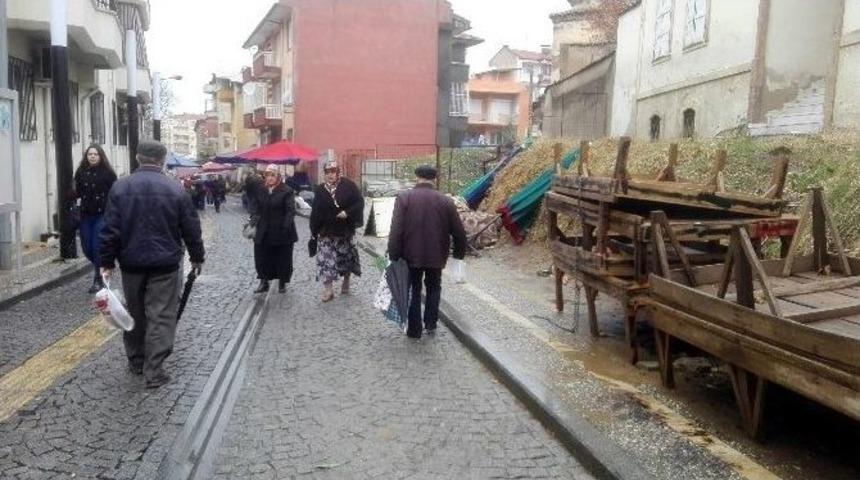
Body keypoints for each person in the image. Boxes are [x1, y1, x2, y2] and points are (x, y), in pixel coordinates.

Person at [100, 140, 204, 388]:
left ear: (137, 158)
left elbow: (110, 229)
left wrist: (106, 261)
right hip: (166, 263)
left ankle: (136, 360)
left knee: (134, 312)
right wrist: (197, 256)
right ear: (162, 159)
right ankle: (154, 370)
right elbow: (191, 227)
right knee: (161, 315)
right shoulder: (175, 189)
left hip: (131, 262)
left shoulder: (120, 187)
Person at [387, 165, 467, 339]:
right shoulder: (446, 201)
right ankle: (431, 324)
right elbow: (459, 232)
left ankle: (414, 329)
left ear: (417, 177)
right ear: (434, 179)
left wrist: (393, 254)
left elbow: (396, 229)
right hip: (436, 254)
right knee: (434, 287)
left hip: (410, 254)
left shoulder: (404, 198)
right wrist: (459, 254)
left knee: (413, 289)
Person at [309, 160, 364, 302]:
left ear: (338, 172)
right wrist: (314, 231)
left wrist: (347, 212)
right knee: (325, 261)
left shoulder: (348, 186)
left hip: (344, 230)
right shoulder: (320, 190)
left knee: (345, 259)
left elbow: (359, 202)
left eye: (333, 172)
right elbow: (315, 211)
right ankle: (328, 290)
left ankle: (346, 280)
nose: (330, 175)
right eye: (327, 172)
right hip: (326, 231)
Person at [73, 144, 117, 293]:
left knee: (97, 246)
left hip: (102, 214)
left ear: (100, 156)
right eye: (90, 154)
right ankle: (104, 266)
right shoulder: (81, 172)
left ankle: (98, 280)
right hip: (85, 215)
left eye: (95, 154)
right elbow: (77, 192)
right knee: (87, 248)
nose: (92, 156)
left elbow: (114, 193)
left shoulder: (108, 173)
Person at [249, 164, 298, 294]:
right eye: (267, 175)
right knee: (262, 256)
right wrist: (254, 216)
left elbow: (290, 210)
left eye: (272, 175)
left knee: (283, 258)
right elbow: (254, 206)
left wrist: (286, 225)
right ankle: (263, 281)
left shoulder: (287, 190)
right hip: (263, 230)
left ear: (278, 176)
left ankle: (282, 282)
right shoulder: (260, 190)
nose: (269, 178)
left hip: (282, 230)